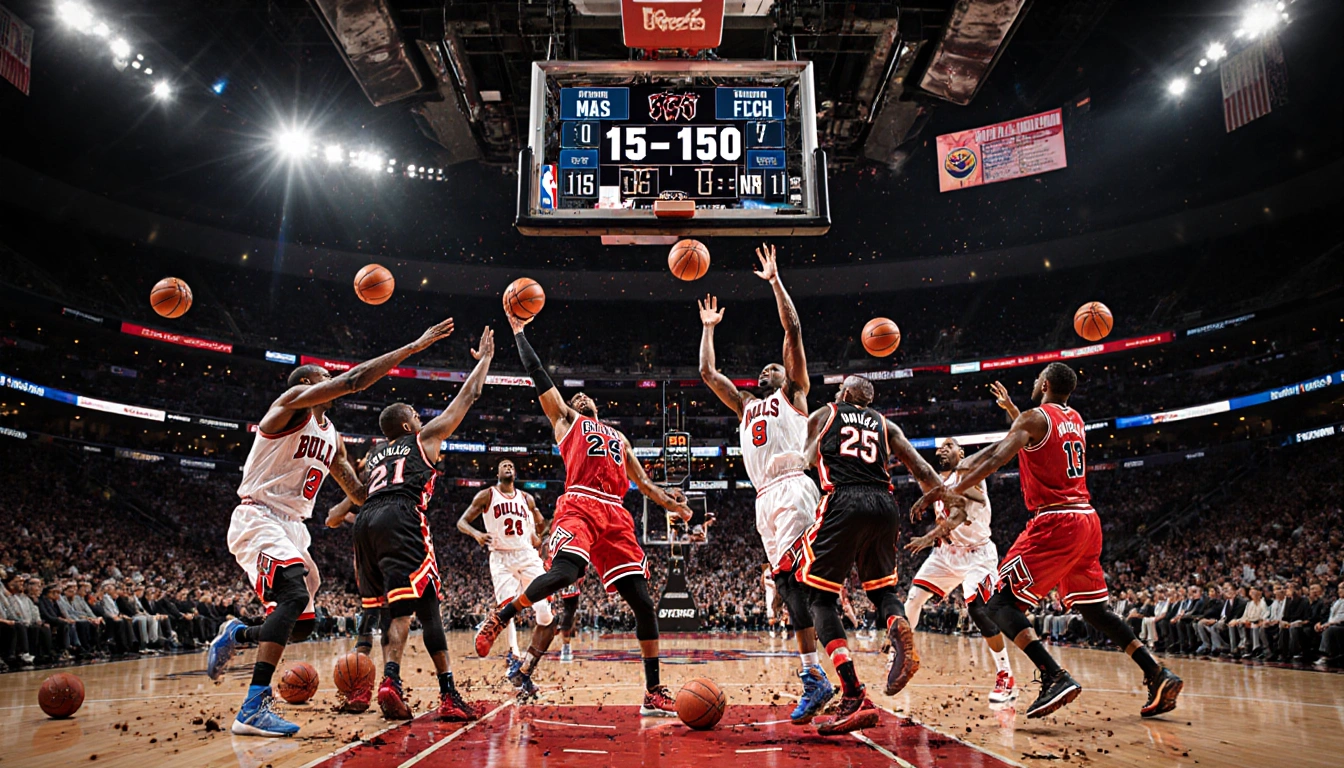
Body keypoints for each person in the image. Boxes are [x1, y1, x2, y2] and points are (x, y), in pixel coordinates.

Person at [206, 318, 456, 738]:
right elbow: (356, 379)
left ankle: (237, 632)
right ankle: (252, 707)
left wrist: (403, 485)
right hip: (258, 514)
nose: (331, 379)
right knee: (291, 594)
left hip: (294, 528)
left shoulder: (334, 438)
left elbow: (359, 493)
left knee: (301, 622)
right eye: (324, 376)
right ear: (308, 383)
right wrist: (412, 347)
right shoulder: (291, 405)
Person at [911, 363, 1182, 720]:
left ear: (1045, 383)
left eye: (1037, 378)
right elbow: (1023, 439)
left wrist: (946, 492)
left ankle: (1054, 676)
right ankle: (1156, 672)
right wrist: (1010, 413)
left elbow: (996, 456)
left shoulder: (1035, 419)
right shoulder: (1075, 418)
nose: (1034, 382)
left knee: (997, 603)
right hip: (1087, 518)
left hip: (1056, 521)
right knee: (1095, 610)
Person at [473, 304, 693, 718]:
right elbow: (539, 374)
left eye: (583, 395)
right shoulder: (565, 420)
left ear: (596, 402)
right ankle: (503, 614)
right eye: (574, 396)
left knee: (644, 604)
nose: (578, 397)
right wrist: (519, 332)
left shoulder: (619, 437)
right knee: (565, 574)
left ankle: (652, 692)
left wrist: (674, 505)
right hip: (579, 504)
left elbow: (644, 485)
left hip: (616, 515)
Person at [697, 243, 834, 724]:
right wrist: (708, 330)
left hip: (794, 485)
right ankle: (813, 674)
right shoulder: (743, 405)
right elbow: (707, 372)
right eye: (763, 370)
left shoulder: (793, 393)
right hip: (763, 501)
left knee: (802, 580)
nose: (766, 370)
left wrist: (775, 281)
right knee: (786, 585)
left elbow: (792, 330)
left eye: (772, 368)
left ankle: (836, 664)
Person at [347, 326, 494, 721]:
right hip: (400, 515)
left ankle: (390, 681)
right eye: (416, 414)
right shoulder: (421, 438)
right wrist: (483, 363)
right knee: (426, 610)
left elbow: (356, 495)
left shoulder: (375, 455)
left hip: (365, 521)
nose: (421, 416)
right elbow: (469, 397)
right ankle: (447, 695)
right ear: (410, 426)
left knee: (395, 610)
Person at [798, 375, 945, 735]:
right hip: (885, 504)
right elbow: (923, 470)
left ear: (846, 394)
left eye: (840, 390)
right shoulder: (885, 423)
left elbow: (805, 462)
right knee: (882, 592)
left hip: (844, 499)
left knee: (819, 597)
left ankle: (852, 693)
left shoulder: (826, 413)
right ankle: (898, 626)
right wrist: (941, 499)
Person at [905, 435, 1016, 705]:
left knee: (978, 609)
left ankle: (1006, 675)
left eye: (949, 446)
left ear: (961, 452)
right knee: (913, 599)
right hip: (947, 553)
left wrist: (929, 536)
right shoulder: (936, 482)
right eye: (940, 447)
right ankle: (903, 656)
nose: (943, 450)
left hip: (977, 553)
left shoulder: (970, 472)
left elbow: (960, 514)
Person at [456, 458, 553, 699]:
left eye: (511, 465)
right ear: (497, 472)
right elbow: (461, 522)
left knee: (545, 614)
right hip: (501, 557)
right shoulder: (486, 495)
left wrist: (542, 533)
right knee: (508, 608)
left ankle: (526, 669)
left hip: (527, 556)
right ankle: (514, 658)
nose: (507, 466)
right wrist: (476, 534)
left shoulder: (527, 499)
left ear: (515, 472)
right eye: (503, 465)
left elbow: (538, 529)